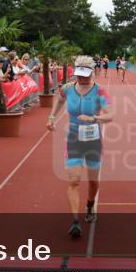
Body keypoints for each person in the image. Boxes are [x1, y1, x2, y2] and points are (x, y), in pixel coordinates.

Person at [46, 55, 113, 238]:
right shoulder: (67, 88)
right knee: (74, 180)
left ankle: (90, 205)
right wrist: (52, 117)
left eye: (85, 75)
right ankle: (75, 221)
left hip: (93, 139)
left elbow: (110, 115)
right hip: (73, 138)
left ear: (92, 72)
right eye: (79, 74)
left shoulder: (100, 92)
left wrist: (94, 118)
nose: (81, 78)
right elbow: (59, 100)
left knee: (93, 181)